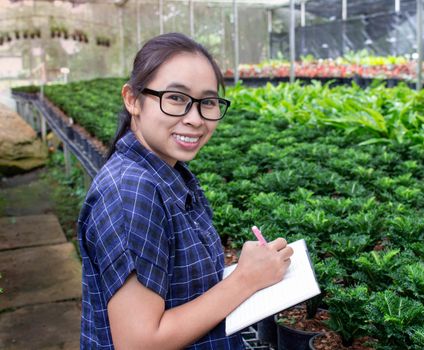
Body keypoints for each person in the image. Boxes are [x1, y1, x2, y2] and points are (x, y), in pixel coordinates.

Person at [77, 32, 293, 349]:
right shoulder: (132, 192)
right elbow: (140, 342)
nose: (195, 119)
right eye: (176, 98)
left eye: (207, 102)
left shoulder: (169, 173)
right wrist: (245, 279)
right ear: (132, 99)